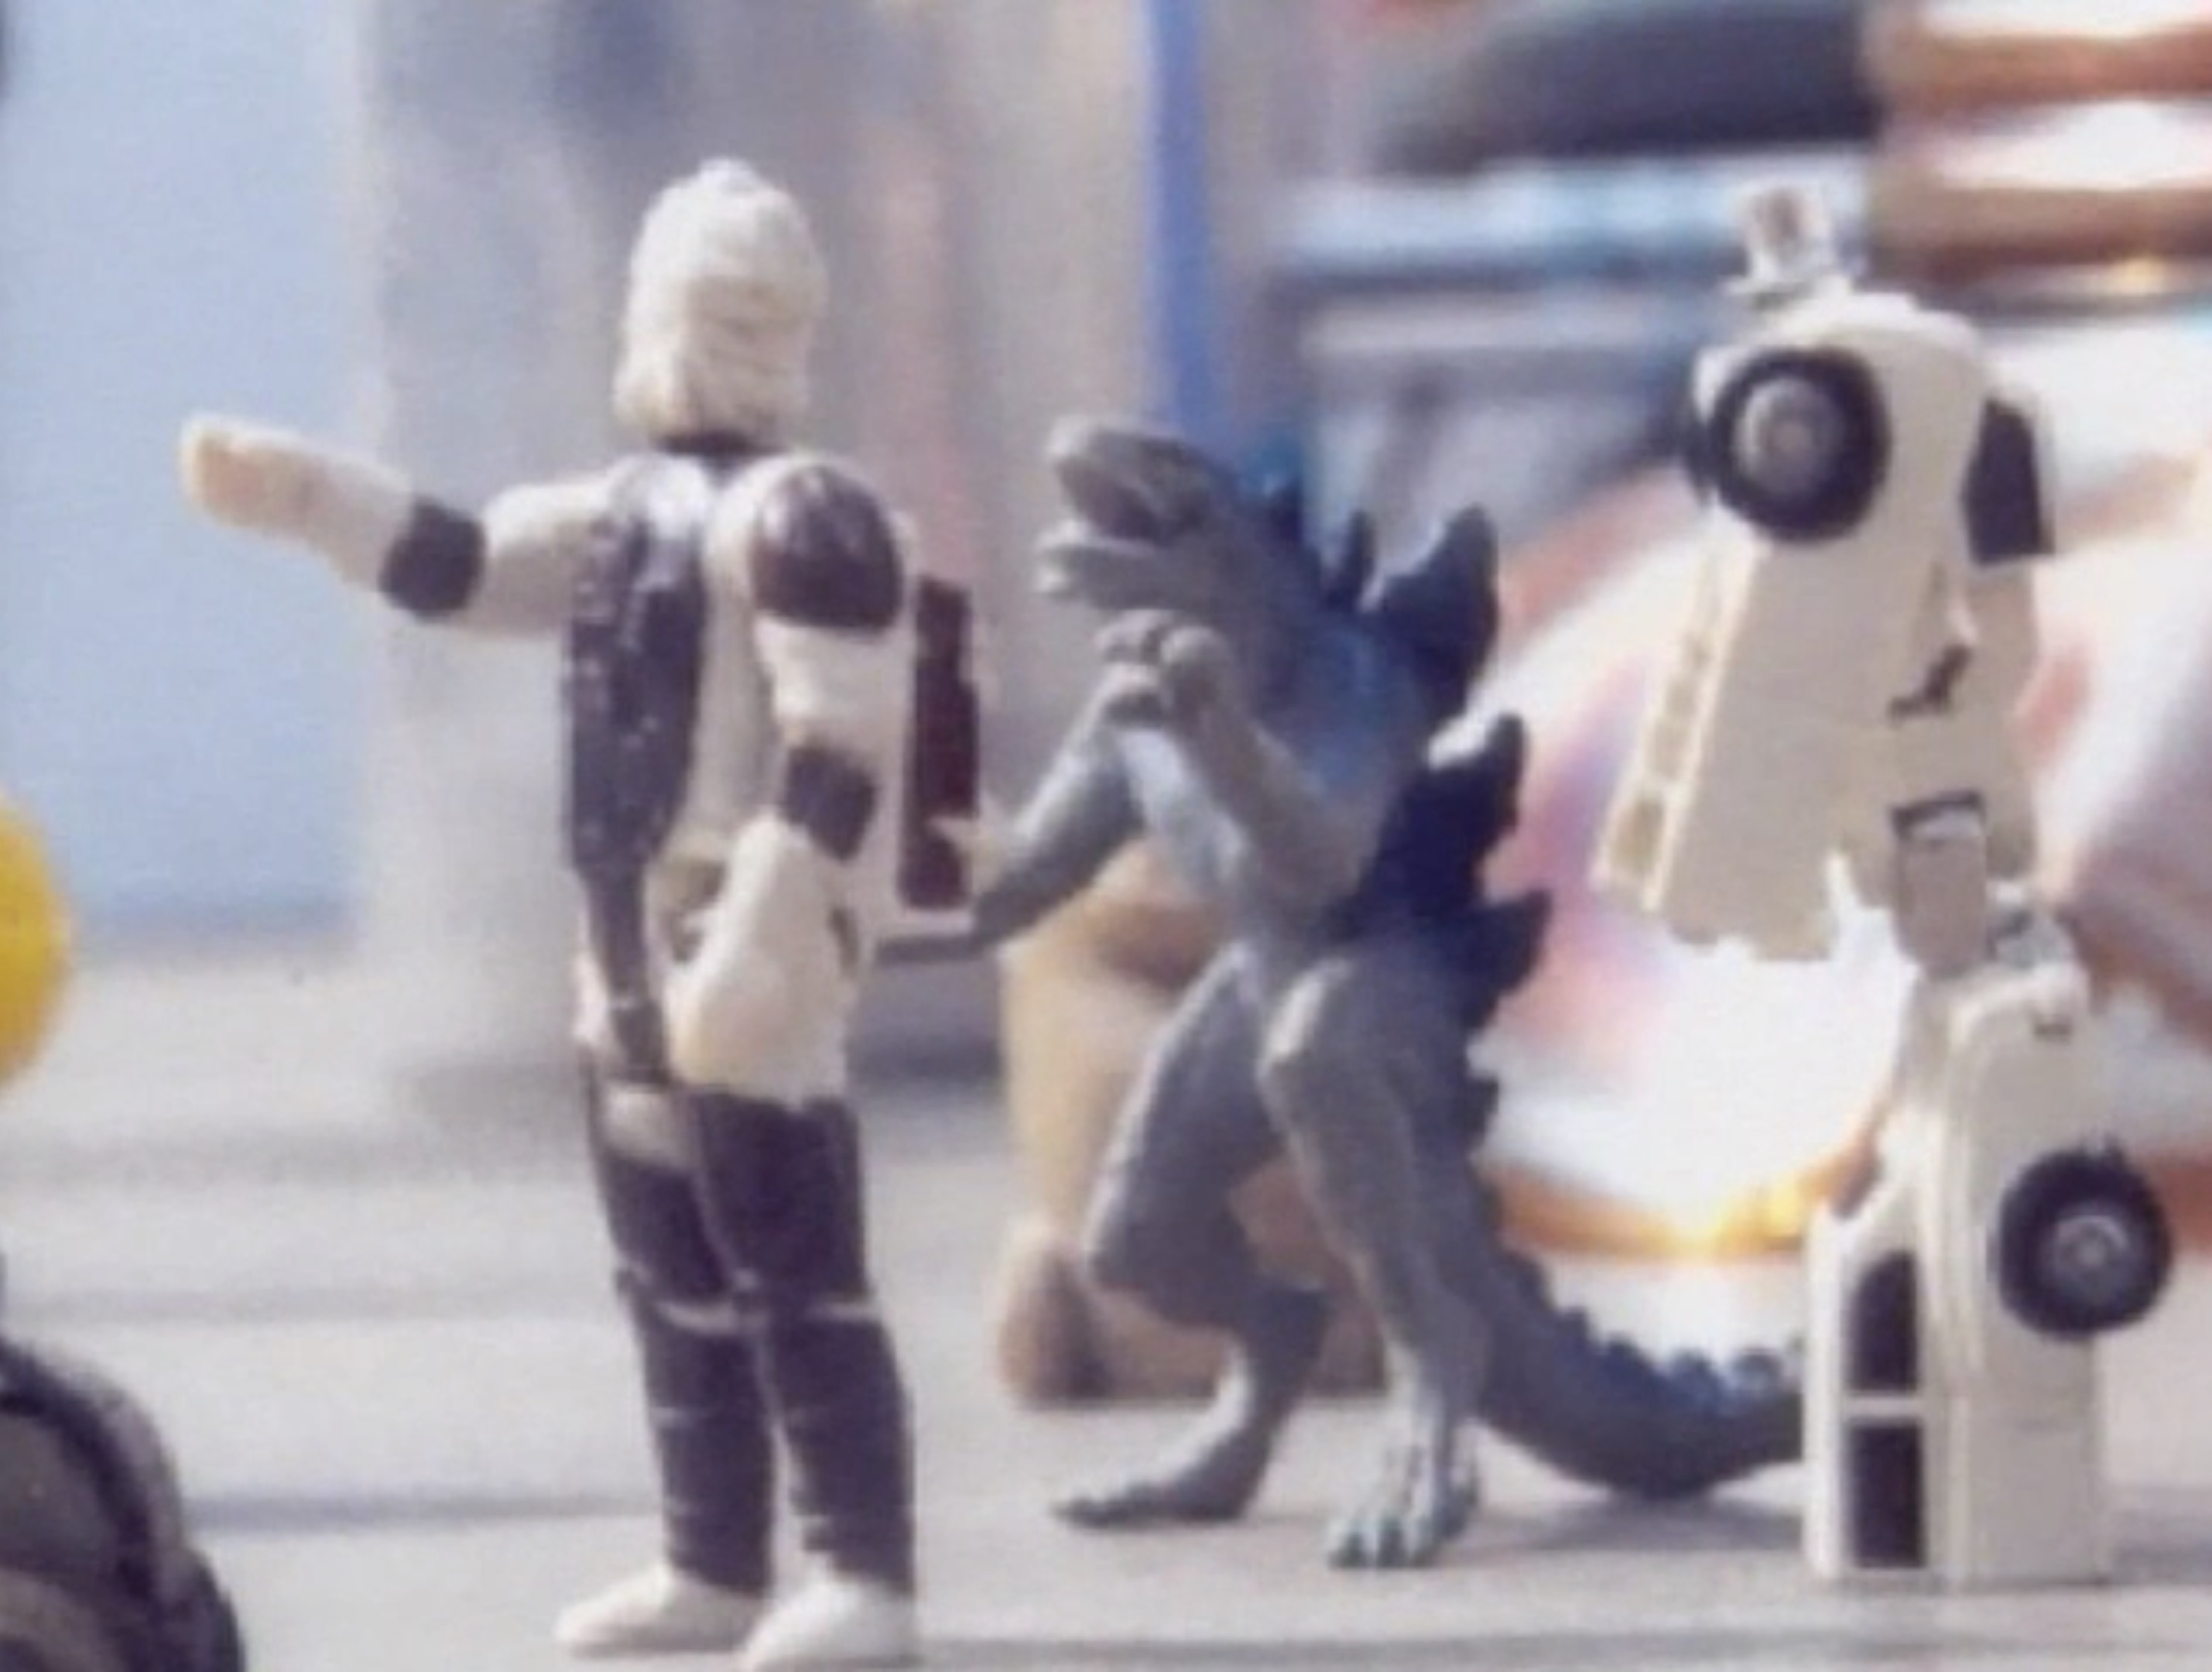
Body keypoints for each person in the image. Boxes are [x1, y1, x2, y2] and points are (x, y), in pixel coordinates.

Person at [179, 159, 929, 1672]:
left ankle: (863, 1571)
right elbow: (463, 567)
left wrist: (765, 933)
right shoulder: (621, 513)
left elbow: (839, 748)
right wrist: (312, 496)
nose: (700, 339)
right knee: (672, 1275)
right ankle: (713, 1559)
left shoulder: (809, 521)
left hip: (747, 938)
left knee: (794, 1269)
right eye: (688, 306)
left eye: (733, 313)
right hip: (626, 942)